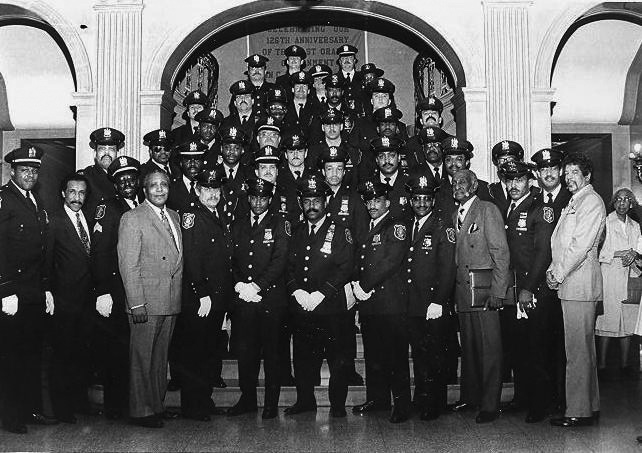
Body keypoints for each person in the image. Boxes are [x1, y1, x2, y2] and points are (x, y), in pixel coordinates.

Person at [118, 169, 183, 428]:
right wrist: (136, 303)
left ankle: (156, 405)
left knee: (159, 359)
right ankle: (141, 411)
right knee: (142, 358)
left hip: (169, 300)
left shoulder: (174, 216)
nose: (159, 190)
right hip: (145, 302)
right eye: (154, 186)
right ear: (144, 190)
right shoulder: (132, 218)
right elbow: (128, 264)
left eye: (164, 185)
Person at [286, 174, 355, 418]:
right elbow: (288, 266)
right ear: (300, 203)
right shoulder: (294, 231)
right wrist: (296, 290)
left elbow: (346, 266)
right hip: (303, 308)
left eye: (316, 200)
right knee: (303, 359)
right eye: (306, 201)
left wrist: (321, 293)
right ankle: (305, 401)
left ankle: (337, 406)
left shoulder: (340, 230)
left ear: (326, 201)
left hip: (332, 309)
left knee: (338, 360)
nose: (311, 205)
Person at [0, 145, 56, 434]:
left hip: (33, 291)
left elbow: (42, 249)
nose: (30, 174)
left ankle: (31, 408)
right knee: (11, 356)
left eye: (34, 170)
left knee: (33, 354)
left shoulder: (36, 200)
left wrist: (46, 288)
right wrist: (5, 289)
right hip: (12, 294)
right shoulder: (4, 199)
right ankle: (10, 416)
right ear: (13, 171)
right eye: (25, 170)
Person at [547, 153, 605, 428]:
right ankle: (589, 405)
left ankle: (579, 411)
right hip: (573, 283)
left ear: (587, 176)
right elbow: (561, 242)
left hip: (578, 284)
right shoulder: (577, 200)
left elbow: (580, 246)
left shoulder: (591, 202)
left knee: (578, 351)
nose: (568, 177)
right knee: (583, 349)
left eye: (574, 173)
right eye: (566, 173)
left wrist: (557, 274)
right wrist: (552, 267)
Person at [500, 161, 559, 423]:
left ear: (529, 181)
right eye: (509, 180)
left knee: (537, 350)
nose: (513, 185)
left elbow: (543, 253)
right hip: (514, 290)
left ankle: (541, 404)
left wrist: (528, 288)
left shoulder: (540, 209)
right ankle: (523, 398)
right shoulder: (509, 208)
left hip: (533, 291)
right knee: (520, 348)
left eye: (519, 180)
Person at [450, 169, 510, 424]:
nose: (458, 186)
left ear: (474, 186)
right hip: (464, 293)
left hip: (485, 294)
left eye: (463, 182)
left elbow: (501, 253)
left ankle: (489, 404)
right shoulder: (456, 214)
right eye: (454, 183)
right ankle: (470, 397)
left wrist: (498, 292)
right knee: (471, 350)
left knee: (489, 350)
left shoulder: (487, 210)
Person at [228, 177, 289, 419]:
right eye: (253, 197)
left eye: (263, 198)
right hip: (244, 299)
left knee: (272, 353)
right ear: (248, 198)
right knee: (246, 353)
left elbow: (280, 260)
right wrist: (240, 285)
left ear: (270, 199)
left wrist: (257, 286)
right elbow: (231, 258)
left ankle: (271, 403)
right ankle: (248, 399)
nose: (258, 202)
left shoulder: (280, 223)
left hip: (270, 300)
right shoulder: (238, 224)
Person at [352, 178, 411, 423]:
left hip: (390, 303)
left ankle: (401, 404)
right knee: (374, 355)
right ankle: (378, 399)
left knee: (395, 356)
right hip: (370, 304)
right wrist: (357, 285)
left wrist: (363, 286)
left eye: (377, 200)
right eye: (369, 201)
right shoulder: (366, 227)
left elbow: (391, 261)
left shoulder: (396, 226)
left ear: (387, 201)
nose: (373, 205)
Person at [90, 156, 142, 420]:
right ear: (114, 184)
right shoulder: (108, 208)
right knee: (117, 352)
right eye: (121, 179)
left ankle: (134, 404)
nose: (127, 183)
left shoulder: (142, 206)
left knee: (134, 350)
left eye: (131, 178)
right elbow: (100, 251)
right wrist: (102, 290)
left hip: (137, 290)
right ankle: (116, 408)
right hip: (116, 289)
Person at [178, 167, 231, 421]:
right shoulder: (191, 215)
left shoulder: (217, 213)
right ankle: (193, 405)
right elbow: (191, 256)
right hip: (201, 299)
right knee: (195, 353)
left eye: (216, 189)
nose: (212, 194)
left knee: (209, 350)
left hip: (216, 298)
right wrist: (201, 293)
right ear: (197, 190)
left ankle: (204, 399)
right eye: (207, 189)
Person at [405, 175, 456, 421]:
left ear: (433, 200)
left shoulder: (442, 227)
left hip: (433, 304)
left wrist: (439, 300)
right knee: (419, 354)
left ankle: (434, 403)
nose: (421, 203)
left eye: (426, 199)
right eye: (417, 199)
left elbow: (448, 268)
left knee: (434, 356)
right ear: (411, 200)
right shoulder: (408, 225)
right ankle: (422, 397)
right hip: (413, 304)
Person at [46, 173, 95, 424]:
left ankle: (79, 401)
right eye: (72, 192)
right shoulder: (54, 221)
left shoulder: (89, 218)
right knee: (63, 355)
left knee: (82, 354)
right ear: (63, 194)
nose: (77, 197)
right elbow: (47, 261)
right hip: (63, 301)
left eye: (81, 193)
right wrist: (48, 292)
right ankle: (62, 408)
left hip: (87, 300)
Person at [596, 188, 641, 376]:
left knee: (627, 323)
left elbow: (639, 249)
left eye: (626, 200)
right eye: (619, 200)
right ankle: (602, 366)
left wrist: (634, 254)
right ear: (614, 203)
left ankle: (625, 366)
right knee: (607, 323)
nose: (622, 203)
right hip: (609, 276)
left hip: (630, 276)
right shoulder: (605, 222)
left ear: (631, 203)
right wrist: (621, 253)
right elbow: (599, 252)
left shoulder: (635, 226)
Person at [80, 127, 125, 217]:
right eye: (102, 149)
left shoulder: (123, 176)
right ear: (95, 153)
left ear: (117, 154)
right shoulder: (86, 177)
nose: (107, 153)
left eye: (111, 149)